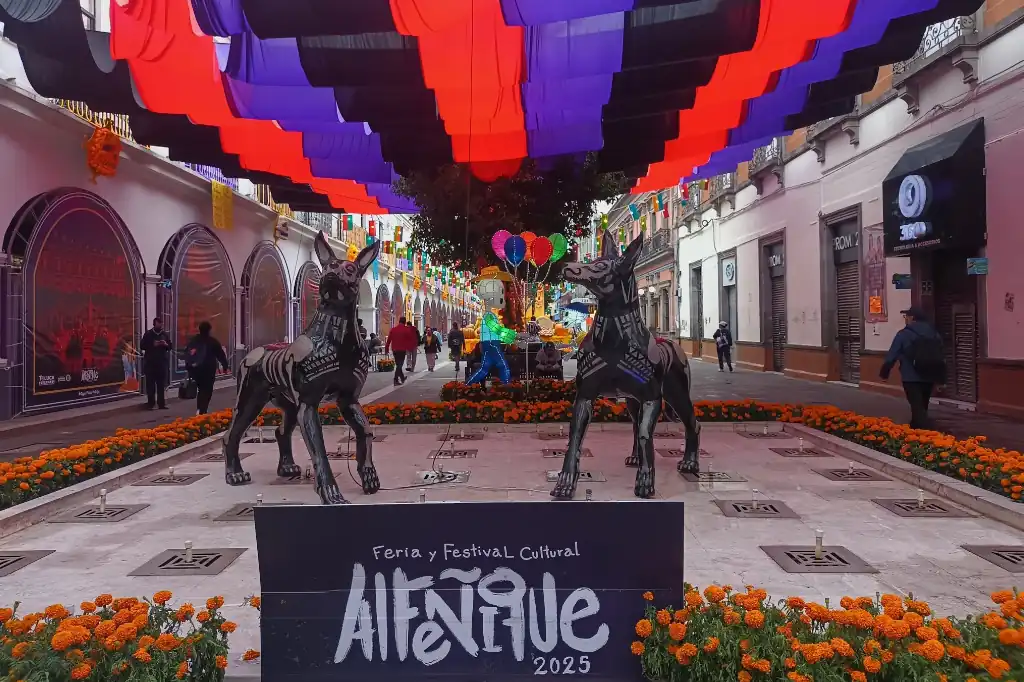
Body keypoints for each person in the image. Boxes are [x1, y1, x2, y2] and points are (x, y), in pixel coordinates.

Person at [880, 306, 946, 430]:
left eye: (906, 316)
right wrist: (941, 379)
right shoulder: (934, 334)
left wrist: (884, 373)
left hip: (911, 376)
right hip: (929, 375)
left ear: (912, 318)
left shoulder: (904, 334)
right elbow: (941, 356)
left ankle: (930, 434)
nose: (905, 319)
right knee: (923, 406)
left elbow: (892, 354)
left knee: (917, 406)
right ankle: (915, 430)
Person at [185, 321, 230, 415]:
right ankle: (202, 409)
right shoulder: (212, 341)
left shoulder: (194, 340)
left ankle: (200, 408)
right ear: (209, 330)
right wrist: (225, 366)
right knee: (207, 390)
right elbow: (220, 355)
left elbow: (188, 353)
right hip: (209, 370)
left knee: (201, 389)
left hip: (196, 370)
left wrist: (189, 367)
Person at [140, 317, 172, 409]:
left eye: (162, 323)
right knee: (150, 384)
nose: (161, 325)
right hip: (150, 363)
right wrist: (152, 345)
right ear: (154, 324)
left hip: (161, 363)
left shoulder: (165, 334)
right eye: (159, 323)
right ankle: (151, 404)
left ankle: (161, 404)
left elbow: (170, 346)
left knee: (161, 384)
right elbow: (142, 346)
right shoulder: (148, 334)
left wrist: (165, 345)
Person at [384, 316, 417, 386]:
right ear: (405, 322)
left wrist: (386, 349)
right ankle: (395, 380)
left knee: (398, 364)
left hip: (394, 349)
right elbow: (410, 339)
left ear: (399, 321)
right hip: (402, 349)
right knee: (400, 365)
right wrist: (410, 347)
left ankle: (402, 377)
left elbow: (389, 340)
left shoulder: (393, 329)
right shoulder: (406, 330)